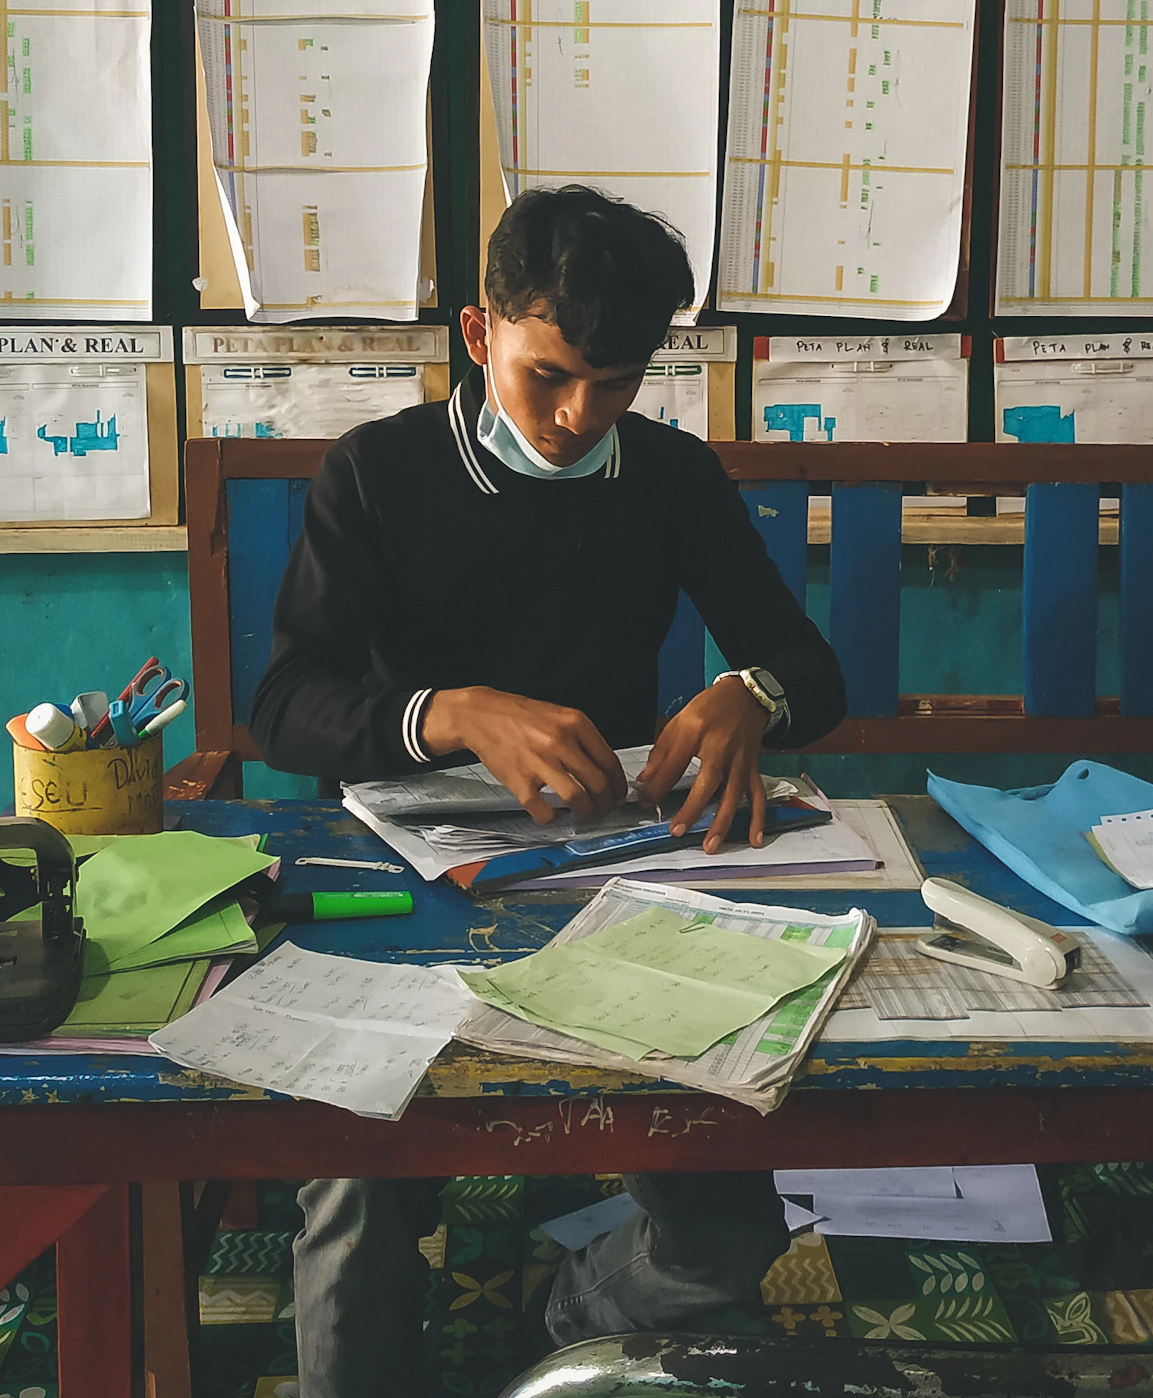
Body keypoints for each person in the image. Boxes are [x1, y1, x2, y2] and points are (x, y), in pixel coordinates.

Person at [251, 184, 847, 1397]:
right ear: (480, 336)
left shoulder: (672, 477)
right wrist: (448, 712)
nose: (582, 415)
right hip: (395, 899)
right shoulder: (376, 473)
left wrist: (755, 695)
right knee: (358, 1211)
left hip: (606, 885)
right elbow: (282, 707)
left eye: (619, 380)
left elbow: (809, 666)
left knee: (731, 1234)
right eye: (550, 375)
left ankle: (580, 1307)